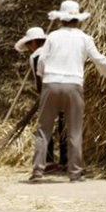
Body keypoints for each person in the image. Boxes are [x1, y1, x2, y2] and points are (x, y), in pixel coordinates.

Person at [29, 0, 106, 183]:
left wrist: (45, 80)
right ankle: (74, 173)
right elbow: (100, 61)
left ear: (61, 19)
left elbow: (42, 61)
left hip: (51, 82)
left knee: (44, 129)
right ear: (77, 20)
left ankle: (37, 171)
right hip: (73, 85)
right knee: (74, 130)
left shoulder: (52, 36)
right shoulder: (85, 39)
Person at [15, 27, 67, 172]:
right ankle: (65, 161)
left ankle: (48, 161)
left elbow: (39, 81)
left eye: (28, 45)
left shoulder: (36, 57)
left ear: (32, 43)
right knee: (64, 126)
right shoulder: (55, 52)